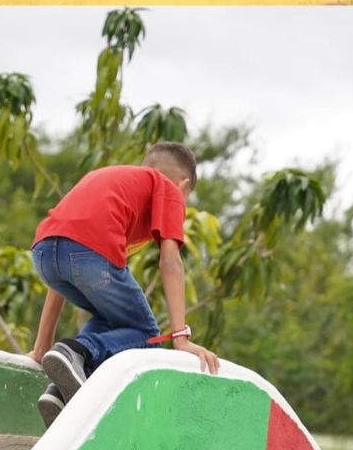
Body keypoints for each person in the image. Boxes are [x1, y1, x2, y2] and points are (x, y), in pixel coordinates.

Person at [27, 142, 219, 427]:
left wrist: (42, 347)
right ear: (184, 184)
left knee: (110, 321)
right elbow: (170, 262)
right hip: (90, 255)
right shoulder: (168, 188)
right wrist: (181, 337)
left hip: (43, 254)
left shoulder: (115, 183)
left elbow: (63, 268)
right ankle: (75, 352)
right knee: (146, 335)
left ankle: (58, 391)